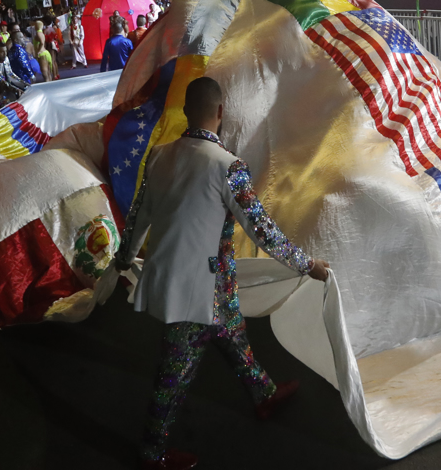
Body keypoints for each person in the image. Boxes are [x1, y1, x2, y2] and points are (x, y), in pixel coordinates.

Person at [113, 77, 330, 469]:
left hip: (201, 284)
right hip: (199, 288)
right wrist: (307, 265)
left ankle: (264, 393)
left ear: (185, 111)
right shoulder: (228, 167)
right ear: (220, 112)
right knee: (174, 371)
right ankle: (151, 451)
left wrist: (124, 258)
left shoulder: (160, 156)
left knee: (231, 333)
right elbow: (262, 230)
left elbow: (138, 216)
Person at [0, 41, 29, 107]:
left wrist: (24, 84)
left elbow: (10, 75)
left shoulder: (6, 59)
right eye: (2, 52)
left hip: (6, 94)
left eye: (6, 51)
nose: (5, 54)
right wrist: (15, 89)